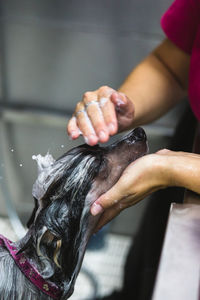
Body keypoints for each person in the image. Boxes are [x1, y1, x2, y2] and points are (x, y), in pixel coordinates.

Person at [67, 0, 200, 298]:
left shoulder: (167, 166)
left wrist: (178, 169)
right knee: (143, 273)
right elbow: (171, 66)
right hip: (187, 144)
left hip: (177, 166)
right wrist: (125, 107)